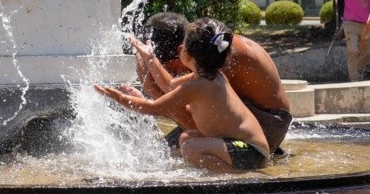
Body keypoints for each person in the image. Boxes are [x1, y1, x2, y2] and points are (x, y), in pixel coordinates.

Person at [95, 18, 270, 173]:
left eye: (183, 45)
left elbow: (154, 108)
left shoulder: (199, 85)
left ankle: (238, 177)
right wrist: (150, 58)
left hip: (251, 151)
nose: (180, 48)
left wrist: (116, 96)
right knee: (187, 137)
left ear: (187, 54)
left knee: (192, 147)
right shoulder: (210, 75)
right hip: (246, 148)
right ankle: (223, 172)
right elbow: (170, 85)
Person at [131, 12, 292, 154]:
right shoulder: (209, 47)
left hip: (270, 125)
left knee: (186, 142)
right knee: (165, 151)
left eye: (167, 67)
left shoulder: (222, 56)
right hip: (255, 118)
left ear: (182, 51)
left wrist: (151, 88)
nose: (171, 73)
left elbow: (171, 89)